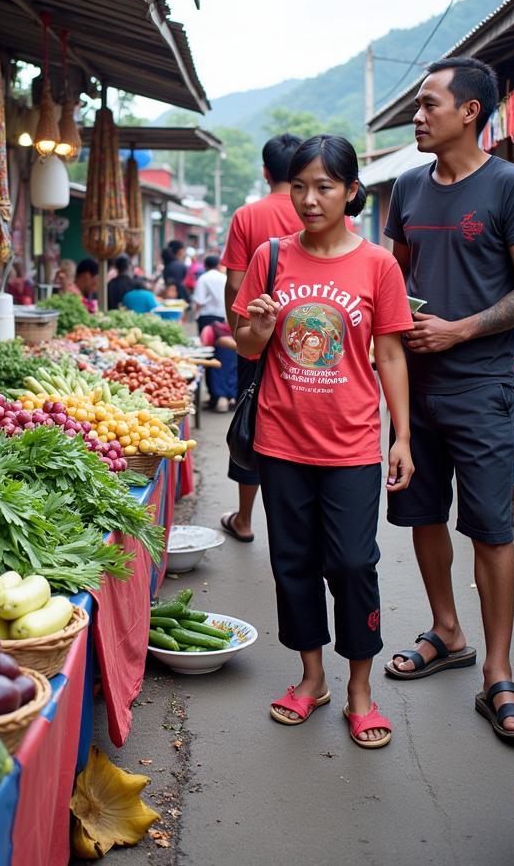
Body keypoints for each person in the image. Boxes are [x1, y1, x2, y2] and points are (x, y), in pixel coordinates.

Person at [383, 56, 514, 743]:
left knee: (490, 527)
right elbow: (394, 276)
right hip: (412, 393)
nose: (418, 116)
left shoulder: (513, 186)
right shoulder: (406, 189)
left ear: (471, 112)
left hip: (482, 385)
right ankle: (447, 631)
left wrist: (461, 328)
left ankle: (499, 672)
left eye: (429, 105)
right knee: (422, 512)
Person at [234, 134, 414, 750]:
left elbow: (389, 352)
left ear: (351, 192)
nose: (309, 199)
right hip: (282, 439)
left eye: (325, 187)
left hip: (353, 444)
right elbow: (248, 347)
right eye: (300, 186)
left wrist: (403, 436)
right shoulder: (270, 256)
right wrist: (256, 330)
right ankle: (311, 679)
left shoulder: (377, 265)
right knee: (294, 564)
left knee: (354, 564)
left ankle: (360, 690)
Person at [219, 133, 304, 541]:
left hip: (257, 333)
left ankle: (246, 519)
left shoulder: (247, 215)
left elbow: (236, 282)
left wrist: (241, 331)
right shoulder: (329, 208)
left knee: (250, 419)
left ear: (266, 171)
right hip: (309, 338)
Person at [192, 254, 232, 410]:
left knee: (207, 357)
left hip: (207, 321)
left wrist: (195, 316)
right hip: (224, 320)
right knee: (225, 357)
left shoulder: (203, 279)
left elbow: (199, 301)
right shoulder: (224, 278)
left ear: (206, 265)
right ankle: (228, 396)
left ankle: (216, 396)